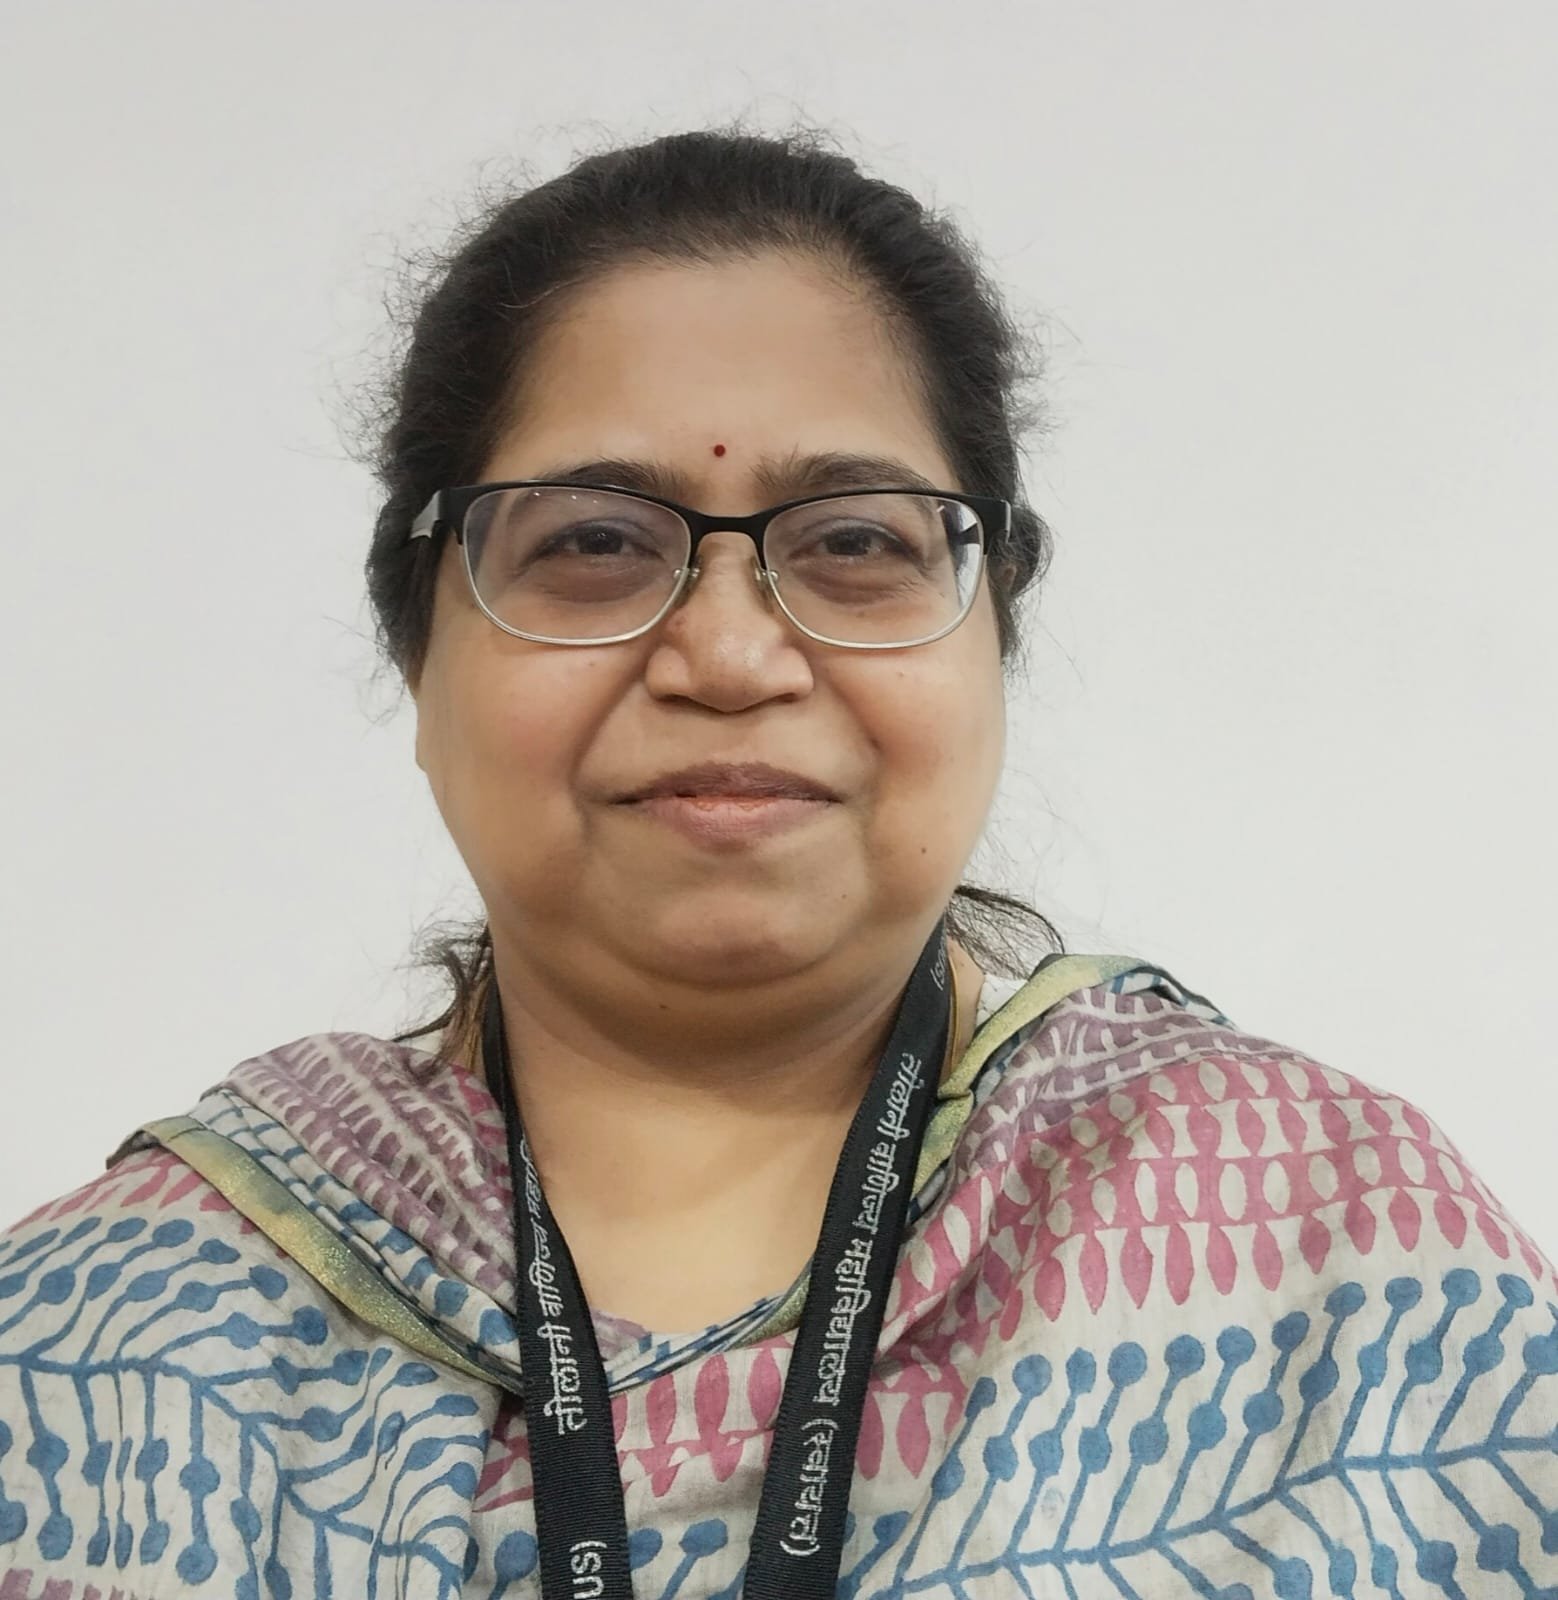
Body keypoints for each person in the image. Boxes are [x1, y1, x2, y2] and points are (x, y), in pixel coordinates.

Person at [1, 127, 1553, 1600]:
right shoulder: (102, 1335)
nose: (732, 656)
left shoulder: (1339, 1262)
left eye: (854, 543)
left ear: (994, 630)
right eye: (593, 541)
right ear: (420, 656)